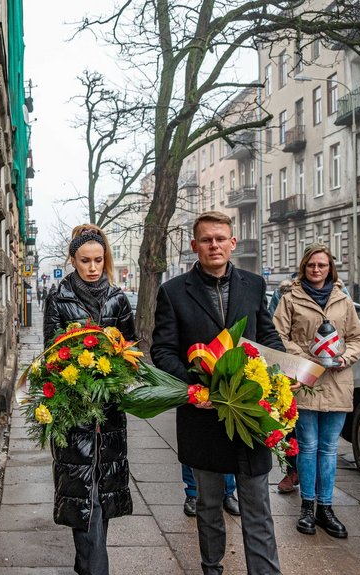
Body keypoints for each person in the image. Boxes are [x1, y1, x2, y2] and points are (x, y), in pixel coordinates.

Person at [151, 211, 285, 575]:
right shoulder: (174, 291)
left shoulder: (254, 285)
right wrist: (194, 387)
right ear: (195, 246)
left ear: (232, 243)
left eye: (220, 238)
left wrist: (280, 373)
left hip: (250, 415)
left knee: (258, 504)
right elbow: (162, 350)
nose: (214, 245)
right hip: (202, 417)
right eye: (206, 239)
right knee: (209, 505)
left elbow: (267, 336)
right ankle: (212, 568)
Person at [42, 224, 136, 575]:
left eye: (99, 260)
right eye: (85, 261)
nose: (93, 267)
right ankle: (94, 568)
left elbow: (132, 351)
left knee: (100, 495)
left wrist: (116, 371)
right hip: (74, 412)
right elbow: (50, 355)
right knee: (84, 496)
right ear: (73, 260)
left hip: (109, 415)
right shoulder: (59, 297)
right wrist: (76, 373)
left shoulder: (118, 299)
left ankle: (90, 566)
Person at [272, 244, 360, 538]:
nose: (316, 270)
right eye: (312, 265)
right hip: (305, 382)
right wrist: (308, 356)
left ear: (330, 268)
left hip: (338, 382)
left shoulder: (343, 299)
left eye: (322, 265)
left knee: (329, 449)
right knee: (309, 447)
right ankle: (307, 508)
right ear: (304, 266)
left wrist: (343, 357)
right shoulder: (290, 297)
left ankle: (326, 508)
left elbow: (358, 338)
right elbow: (278, 334)